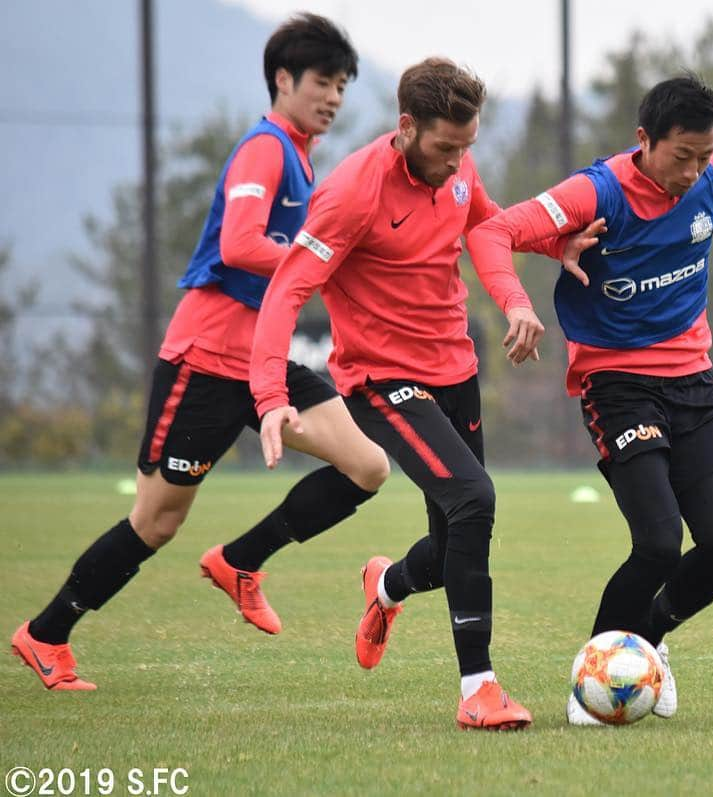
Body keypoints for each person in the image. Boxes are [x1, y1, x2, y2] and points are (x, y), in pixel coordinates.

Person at [11, 13, 389, 692]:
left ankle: (241, 561)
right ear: (283, 79)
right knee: (155, 521)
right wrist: (314, 265)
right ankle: (45, 632)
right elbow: (240, 244)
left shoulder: (301, 156)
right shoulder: (265, 149)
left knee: (365, 465)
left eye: (341, 86)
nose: (334, 97)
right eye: (323, 82)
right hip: (206, 360)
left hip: (264, 360)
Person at [466, 73, 713, 725]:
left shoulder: (712, 178)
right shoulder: (598, 191)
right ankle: (594, 674)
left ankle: (651, 640)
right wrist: (521, 303)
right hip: (618, 387)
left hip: (694, 385)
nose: (695, 171)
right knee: (660, 543)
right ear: (644, 140)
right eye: (681, 156)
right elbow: (493, 233)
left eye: (705, 155)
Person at [249, 57, 594, 730]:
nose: (456, 163)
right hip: (381, 380)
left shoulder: (458, 166)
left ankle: (384, 586)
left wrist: (557, 247)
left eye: (466, 148)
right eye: (444, 148)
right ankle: (480, 688)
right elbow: (287, 288)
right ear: (406, 127)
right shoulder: (353, 193)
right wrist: (268, 393)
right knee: (476, 498)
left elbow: (488, 224)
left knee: (452, 542)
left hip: (454, 369)